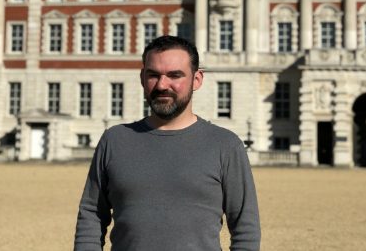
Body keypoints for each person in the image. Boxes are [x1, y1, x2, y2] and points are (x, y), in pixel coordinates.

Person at [74, 35, 261, 251]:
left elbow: (245, 229)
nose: (162, 85)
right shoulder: (114, 140)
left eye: (175, 75)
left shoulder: (225, 145)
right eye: (154, 75)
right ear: (142, 78)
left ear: (197, 79)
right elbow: (91, 215)